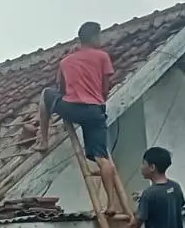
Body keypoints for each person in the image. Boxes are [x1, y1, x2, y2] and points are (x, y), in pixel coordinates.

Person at [38, 21, 123, 207]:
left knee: (45, 94)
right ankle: (111, 204)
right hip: (95, 111)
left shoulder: (65, 62)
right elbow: (105, 87)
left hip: (73, 109)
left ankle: (43, 140)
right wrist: (98, 100)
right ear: (94, 37)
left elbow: (60, 88)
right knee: (103, 159)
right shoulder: (103, 57)